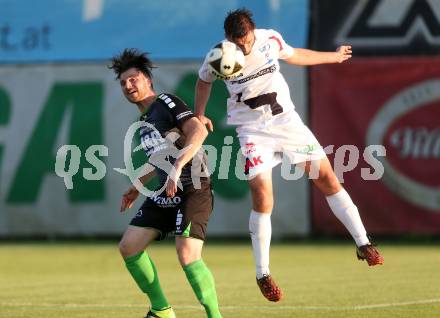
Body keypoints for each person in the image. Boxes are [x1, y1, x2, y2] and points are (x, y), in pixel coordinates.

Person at [195, 8, 384, 303]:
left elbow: (295, 55)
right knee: (262, 195)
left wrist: (331, 56)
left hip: (287, 124)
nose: (243, 47)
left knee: (328, 179)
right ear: (228, 37)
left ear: (252, 31)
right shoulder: (219, 54)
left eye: (247, 41)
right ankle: (263, 273)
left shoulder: (269, 39)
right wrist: (199, 115)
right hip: (252, 131)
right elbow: (204, 81)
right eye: (238, 42)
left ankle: (363, 243)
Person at [110, 49, 222, 318]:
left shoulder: (166, 102)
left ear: (148, 79)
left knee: (187, 255)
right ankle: (161, 310)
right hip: (166, 190)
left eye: (133, 79)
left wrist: (179, 166)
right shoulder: (144, 120)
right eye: (123, 82)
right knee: (129, 247)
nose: (128, 86)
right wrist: (137, 185)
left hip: (194, 187)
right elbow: (161, 158)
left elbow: (198, 130)